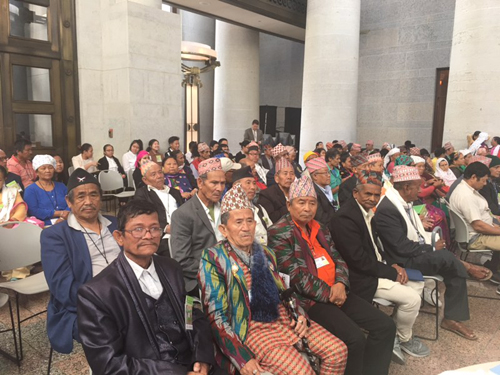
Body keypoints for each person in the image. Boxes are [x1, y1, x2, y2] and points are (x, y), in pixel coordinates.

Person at [198, 184, 348, 375]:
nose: (245, 228)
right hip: (252, 329)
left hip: (285, 321)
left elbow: (284, 290)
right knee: (302, 371)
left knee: (338, 351)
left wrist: (300, 315)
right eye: (238, 222)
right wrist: (242, 358)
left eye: (250, 221)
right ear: (224, 229)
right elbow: (216, 315)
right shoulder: (213, 258)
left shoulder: (266, 253)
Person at [268, 175, 396, 375]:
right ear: (289, 204)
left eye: (312, 203)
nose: (307, 208)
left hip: (338, 291)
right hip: (310, 301)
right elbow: (295, 277)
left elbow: (339, 259)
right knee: (354, 339)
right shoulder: (279, 232)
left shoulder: (319, 228)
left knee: (385, 326)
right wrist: (330, 293)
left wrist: (341, 284)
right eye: (301, 203)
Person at [77, 200, 216, 374]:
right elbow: (108, 364)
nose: (148, 236)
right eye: (138, 229)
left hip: (192, 364)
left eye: (154, 228)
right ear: (119, 237)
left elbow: (191, 313)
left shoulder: (171, 268)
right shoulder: (97, 293)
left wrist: (202, 356)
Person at [375, 165, 491, 341]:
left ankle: (453, 311)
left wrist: (431, 244)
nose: (421, 191)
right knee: (447, 258)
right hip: (401, 261)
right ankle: (466, 268)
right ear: (406, 187)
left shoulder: (402, 202)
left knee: (451, 266)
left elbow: (414, 235)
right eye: (417, 186)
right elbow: (400, 247)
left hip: (411, 253)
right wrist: (430, 247)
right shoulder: (388, 209)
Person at [332, 170, 429, 365]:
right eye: (367, 194)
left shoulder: (367, 213)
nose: (372, 199)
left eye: (377, 195)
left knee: (418, 284)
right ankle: (403, 338)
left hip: (376, 268)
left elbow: (376, 248)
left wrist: (390, 264)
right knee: (411, 298)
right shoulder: (346, 218)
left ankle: (394, 330)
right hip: (360, 278)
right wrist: (391, 271)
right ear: (355, 194)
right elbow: (358, 261)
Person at [41, 168, 121, 353]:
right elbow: (63, 288)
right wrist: (110, 302)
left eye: (94, 195)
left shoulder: (116, 224)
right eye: (81, 196)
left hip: (128, 293)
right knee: (123, 332)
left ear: (101, 198)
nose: (88, 202)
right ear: (69, 201)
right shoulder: (55, 236)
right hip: (85, 306)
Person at [170, 158, 226, 295]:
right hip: (200, 278)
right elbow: (182, 260)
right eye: (214, 183)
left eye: (223, 183)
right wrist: (219, 270)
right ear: (200, 183)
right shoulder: (183, 215)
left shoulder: (226, 209)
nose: (219, 188)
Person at [450, 161, 500, 284]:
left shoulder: (466, 189)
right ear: (473, 177)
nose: (484, 184)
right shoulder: (466, 196)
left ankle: (493, 266)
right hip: (476, 238)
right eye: (483, 180)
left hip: (477, 233)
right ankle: (496, 274)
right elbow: (479, 226)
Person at [134, 160, 183, 257]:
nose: (159, 176)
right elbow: (143, 216)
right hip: (161, 235)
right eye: (153, 174)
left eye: (160, 172)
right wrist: (165, 227)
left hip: (182, 231)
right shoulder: (143, 193)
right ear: (145, 180)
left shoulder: (174, 192)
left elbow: (184, 211)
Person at [24, 155, 70, 226]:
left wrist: (63, 218)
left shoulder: (61, 186)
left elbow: (71, 202)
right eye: (43, 168)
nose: (48, 171)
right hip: (44, 225)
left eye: (50, 168)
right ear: (36, 172)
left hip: (67, 221)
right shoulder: (30, 190)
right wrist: (60, 213)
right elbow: (34, 211)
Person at [232, 166, 272, 245]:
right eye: (248, 183)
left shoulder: (259, 208)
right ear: (235, 186)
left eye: (254, 183)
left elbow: (271, 230)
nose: (253, 187)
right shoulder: (231, 211)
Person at [258, 157, 295, 223]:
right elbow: (270, 219)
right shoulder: (267, 194)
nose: (289, 177)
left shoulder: (297, 192)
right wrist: (290, 206)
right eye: (285, 173)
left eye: (292, 174)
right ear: (276, 178)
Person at [307, 157, 337, 231]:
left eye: (329, 172)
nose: (329, 175)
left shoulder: (327, 188)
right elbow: (321, 220)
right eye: (325, 173)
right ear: (315, 176)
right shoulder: (313, 193)